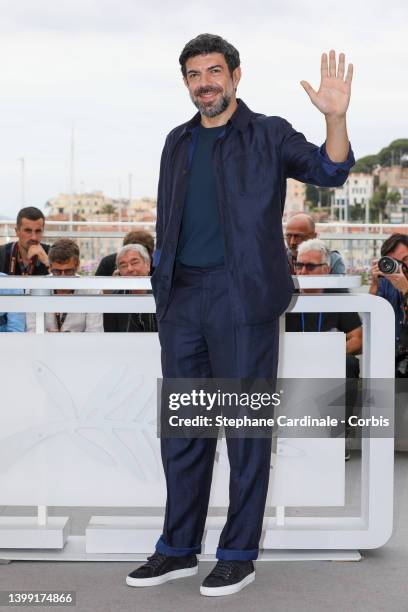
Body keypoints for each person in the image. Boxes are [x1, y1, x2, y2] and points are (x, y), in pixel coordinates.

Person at [126, 34, 354, 596]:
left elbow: (331, 170)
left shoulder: (269, 134)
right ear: (186, 82)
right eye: (195, 74)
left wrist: (336, 117)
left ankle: (237, 554)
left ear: (235, 75)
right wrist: (164, 285)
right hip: (182, 297)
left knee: (246, 430)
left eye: (215, 71)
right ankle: (177, 549)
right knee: (184, 429)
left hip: (244, 296)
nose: (206, 82)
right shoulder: (176, 142)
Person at [26, 239, 103, 333]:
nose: (63, 278)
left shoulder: (91, 291)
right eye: (57, 272)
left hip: (80, 347)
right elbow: (31, 330)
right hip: (43, 346)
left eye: (68, 271)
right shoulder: (35, 289)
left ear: (77, 265)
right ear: (49, 267)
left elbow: (95, 333)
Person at [369, 233, 408, 376]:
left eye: (406, 259)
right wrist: (374, 286)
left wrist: (406, 290)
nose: (402, 266)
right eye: (395, 263)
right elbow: (370, 323)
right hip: (389, 355)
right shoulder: (385, 282)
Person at [103, 244, 157, 332]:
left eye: (134, 262)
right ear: (119, 271)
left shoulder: (163, 296)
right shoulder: (113, 301)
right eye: (123, 266)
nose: (130, 269)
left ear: (147, 264)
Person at [0, 207, 50, 275]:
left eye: (38, 231)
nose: (34, 237)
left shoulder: (51, 254)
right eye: (28, 231)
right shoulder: (2, 253)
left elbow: (62, 283)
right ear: (17, 232)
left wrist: (47, 262)